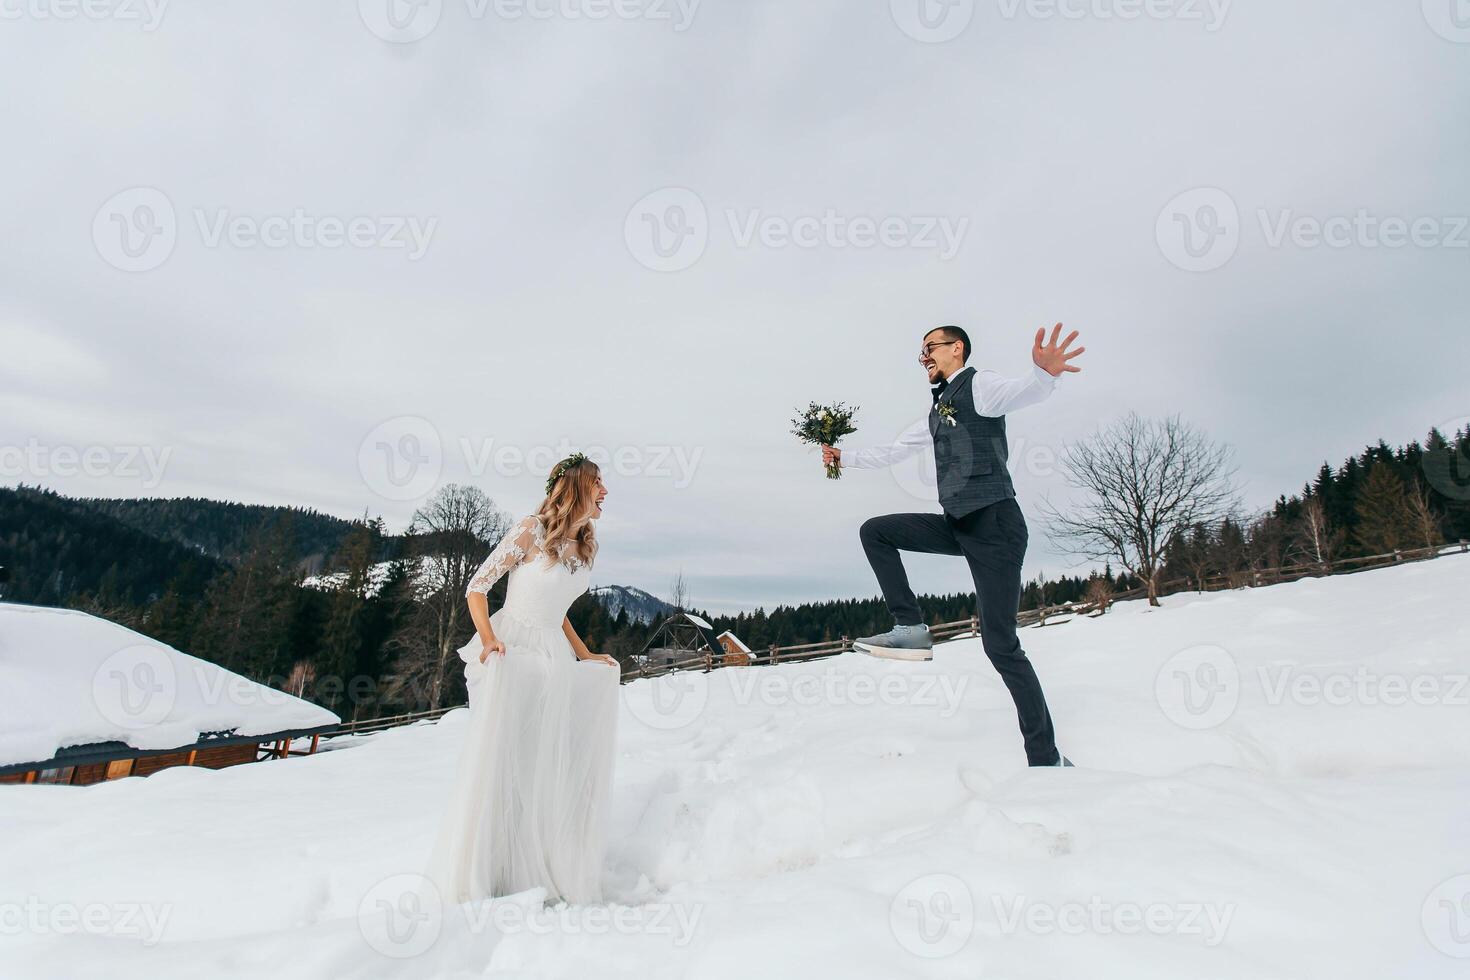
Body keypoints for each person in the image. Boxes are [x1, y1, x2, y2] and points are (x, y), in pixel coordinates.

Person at [822, 324, 1085, 767]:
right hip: (960, 523)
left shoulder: (980, 386)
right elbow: (893, 450)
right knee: (876, 531)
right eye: (920, 352)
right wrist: (843, 457)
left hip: (996, 526)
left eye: (930, 348)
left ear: (956, 348)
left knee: (1001, 646)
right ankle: (911, 628)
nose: (924, 357)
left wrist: (1044, 376)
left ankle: (1046, 758)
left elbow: (1023, 392)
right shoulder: (937, 407)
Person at [421, 454, 621, 904]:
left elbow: (560, 610)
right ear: (574, 488)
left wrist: (585, 654)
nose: (605, 492)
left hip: (553, 653)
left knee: (539, 759)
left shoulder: (587, 542)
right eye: (598, 483)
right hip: (515, 649)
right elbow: (477, 586)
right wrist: (489, 640)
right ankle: (483, 870)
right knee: (502, 756)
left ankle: (529, 863)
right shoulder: (530, 530)